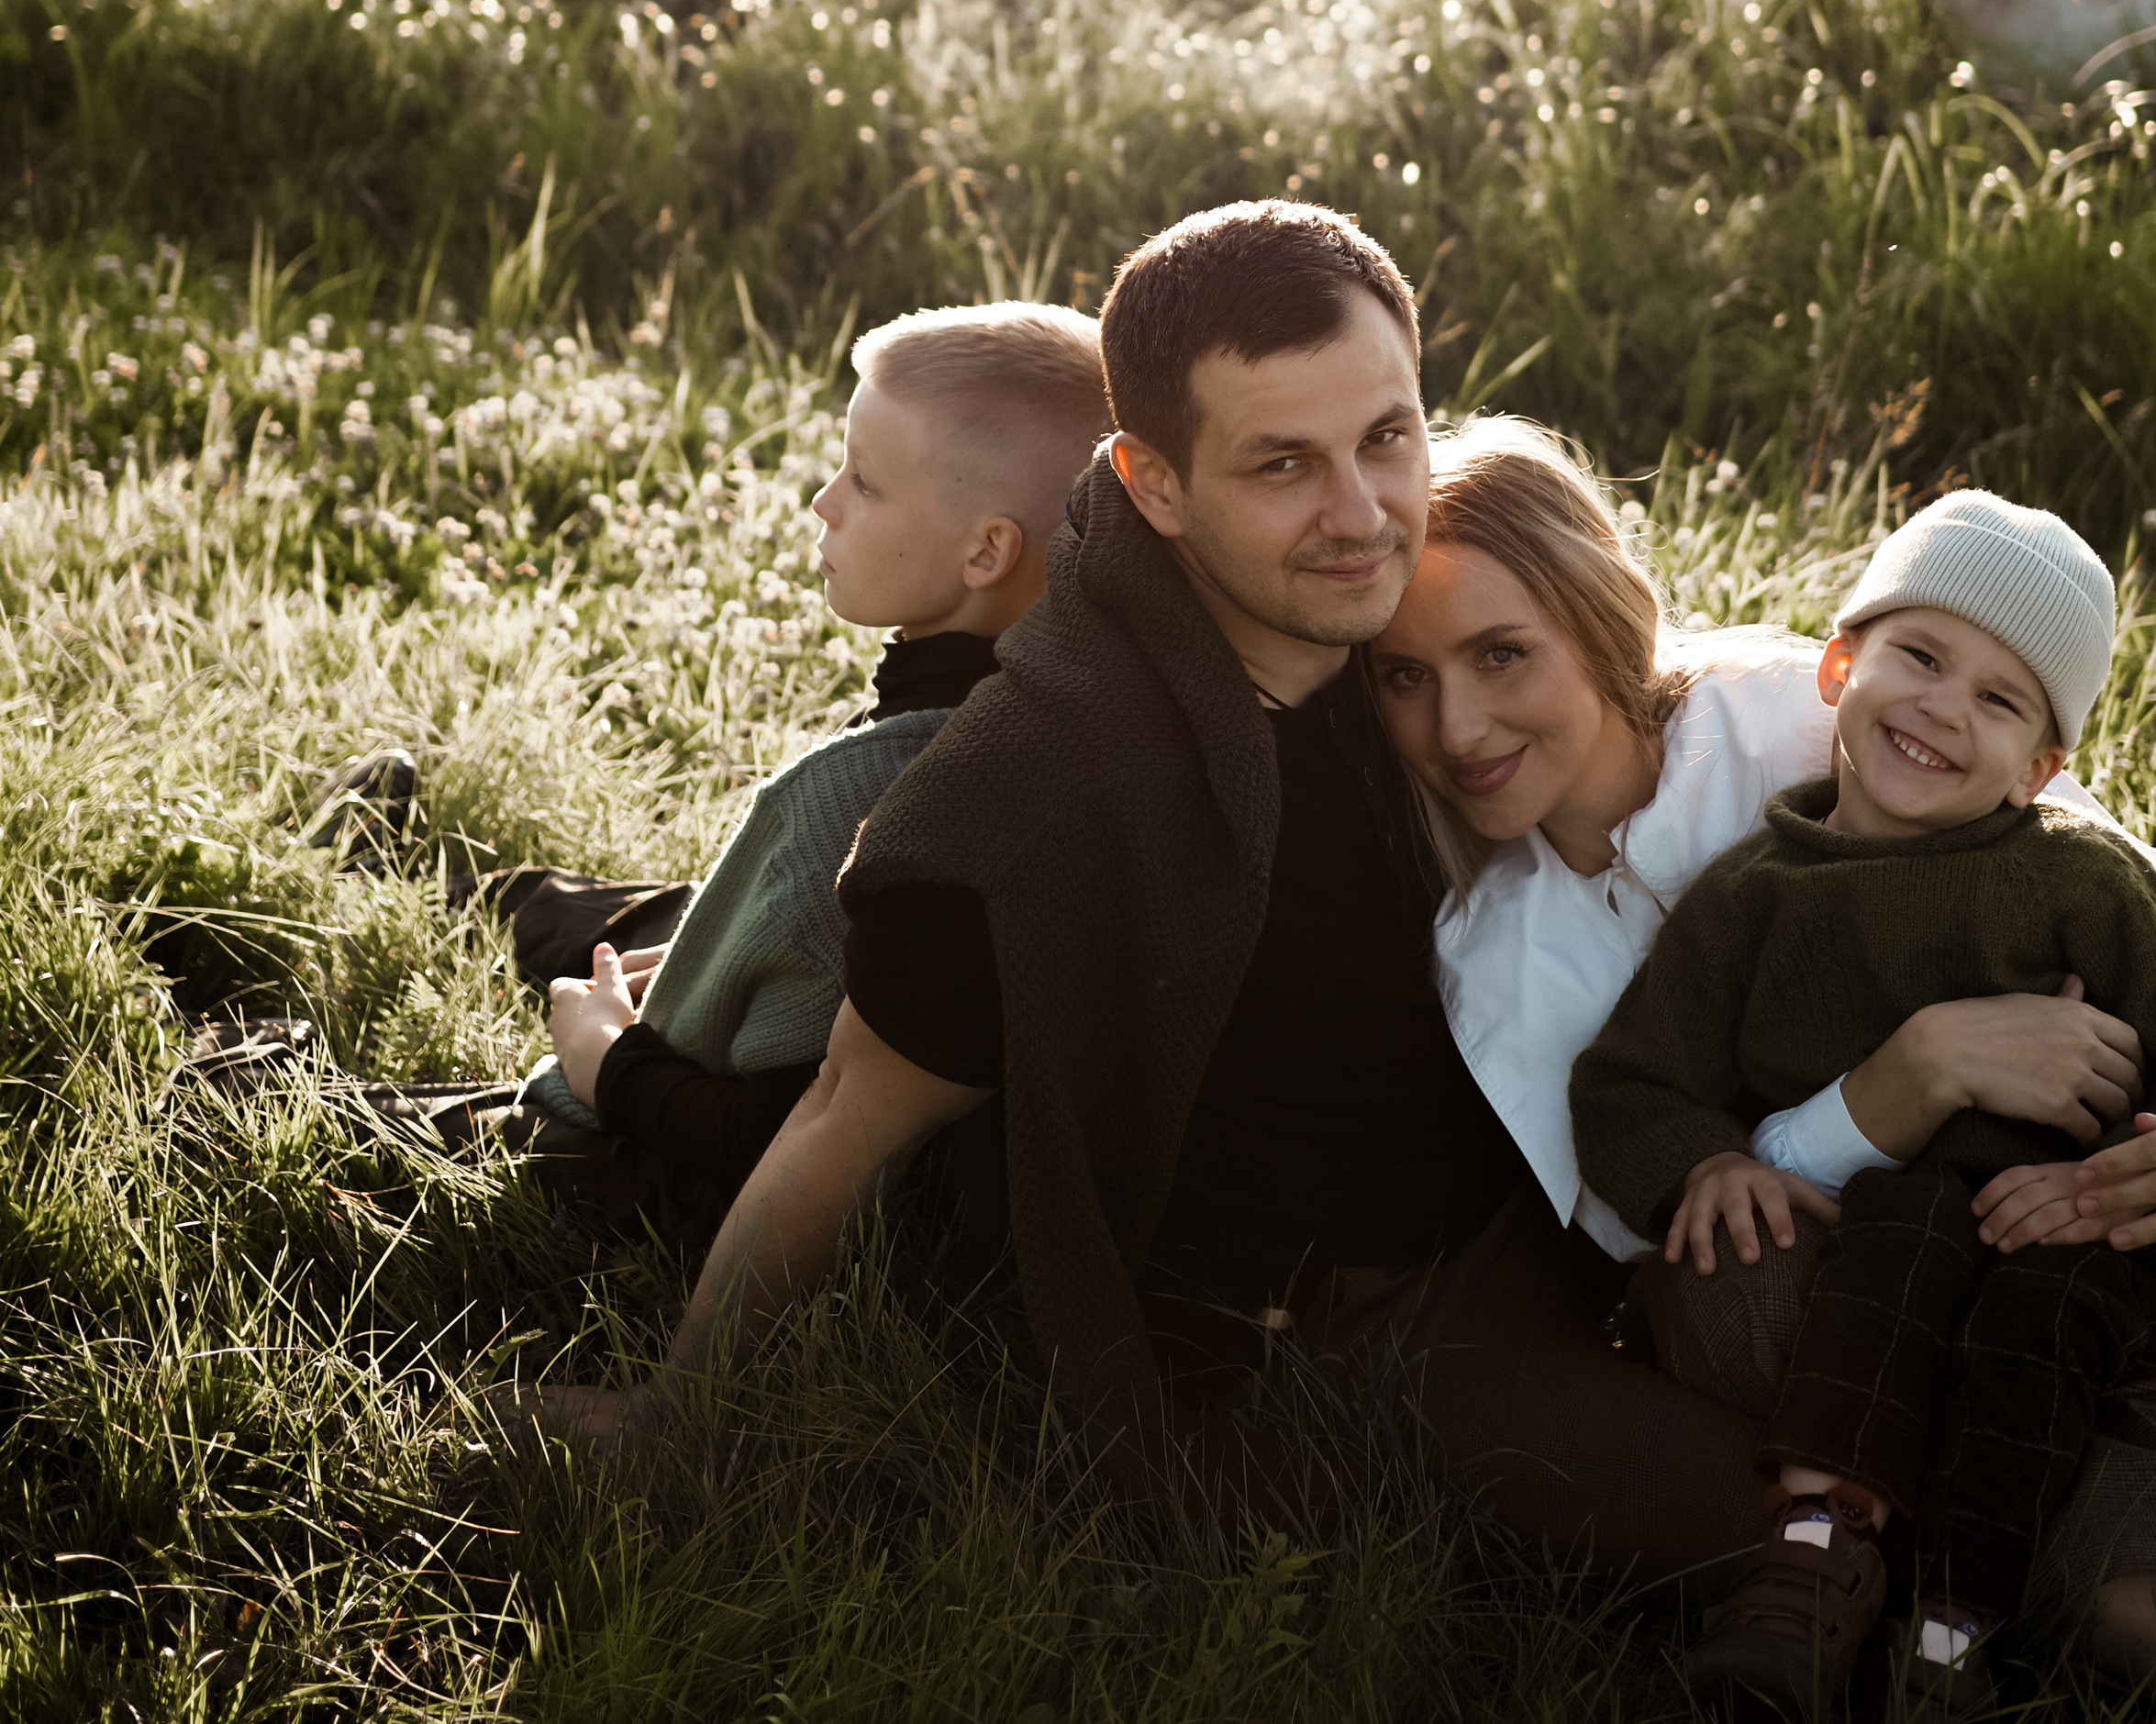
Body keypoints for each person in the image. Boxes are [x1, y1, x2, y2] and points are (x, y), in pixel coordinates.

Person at [514, 201, 1795, 1568]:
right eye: (1283, 464)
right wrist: (674, 1411)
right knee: (1776, 1531)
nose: (1364, 515)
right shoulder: (1044, 798)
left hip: (1574, 1141)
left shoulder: (1381, 616)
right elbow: (847, 1117)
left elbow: (1621, 679)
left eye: (1387, 436)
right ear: (1156, 484)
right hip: (1377, 1303)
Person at [1374, 420, 2156, 1718]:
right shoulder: (1496, 955)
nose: (1457, 723)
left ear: (1598, 618)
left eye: (1503, 654)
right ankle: (1990, 1577)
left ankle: (1974, 1561)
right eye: (1399, 676)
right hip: (1867, 1311)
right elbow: (1662, 1213)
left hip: (2115, 1240)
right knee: (1969, 1429)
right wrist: (1900, 1084)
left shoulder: (1816, 713)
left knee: (2111, 1437)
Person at [1570, 492, 2156, 1712]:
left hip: (2088, 1228)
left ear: (2044, 765)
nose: (1945, 706)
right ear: (1841, 667)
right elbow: (1634, 1081)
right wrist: (1705, 1163)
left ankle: (1954, 1632)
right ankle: (1812, 1570)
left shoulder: (2079, 878)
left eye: (2000, 699)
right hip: (1898, 1218)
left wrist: (2104, 1187)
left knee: (2033, 1318)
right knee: (1900, 1233)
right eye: (1921, 657)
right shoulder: (1754, 897)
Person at [519, 300, 1107, 1257]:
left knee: (352, 1110)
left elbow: (783, 1128)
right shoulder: (1055, 703)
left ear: (986, 550)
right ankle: (509, 892)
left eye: (864, 481)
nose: (822, 501)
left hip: (677, 1187)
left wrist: (604, 1063)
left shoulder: (869, 800)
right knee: (618, 918)